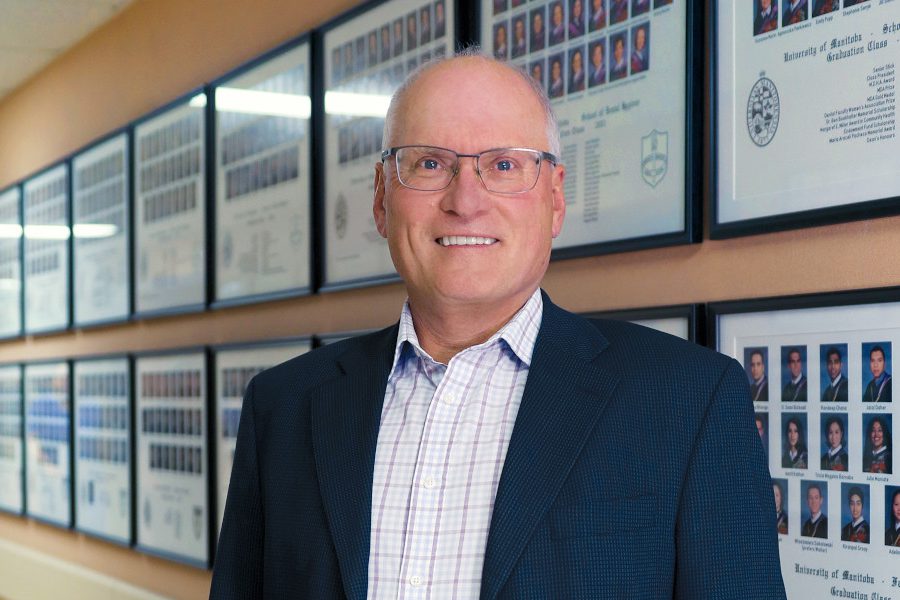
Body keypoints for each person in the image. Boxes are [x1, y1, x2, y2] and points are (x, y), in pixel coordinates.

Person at [211, 51, 785, 599]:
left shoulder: (689, 402)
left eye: (504, 165)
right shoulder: (282, 408)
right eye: (430, 163)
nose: (465, 200)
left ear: (555, 200)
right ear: (383, 199)